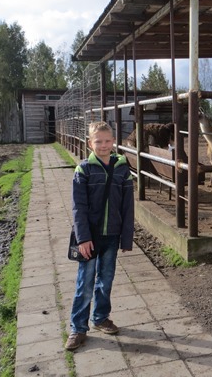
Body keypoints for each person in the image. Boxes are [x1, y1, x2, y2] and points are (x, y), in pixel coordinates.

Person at [65, 121, 134, 351]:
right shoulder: (83, 170)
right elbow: (78, 208)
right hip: (90, 237)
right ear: (90, 143)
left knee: (106, 280)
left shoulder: (122, 169)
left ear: (113, 141)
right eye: (98, 141)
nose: (103, 145)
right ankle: (78, 328)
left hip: (111, 236)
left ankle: (101, 317)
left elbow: (128, 206)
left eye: (107, 141)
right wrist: (83, 238)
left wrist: (126, 238)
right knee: (85, 283)